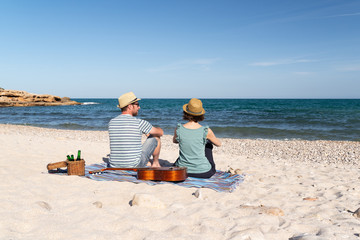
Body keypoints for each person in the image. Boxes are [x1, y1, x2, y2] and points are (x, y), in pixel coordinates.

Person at [108, 92, 163, 168]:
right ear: (130, 106)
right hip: (134, 165)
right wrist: (157, 130)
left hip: (114, 165)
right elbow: (160, 132)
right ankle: (156, 163)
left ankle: (147, 163)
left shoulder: (112, 122)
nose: (139, 107)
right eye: (137, 105)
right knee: (156, 137)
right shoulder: (139, 122)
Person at [173, 98, 221, 178]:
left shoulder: (179, 129)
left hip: (182, 172)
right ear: (201, 114)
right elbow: (218, 144)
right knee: (208, 144)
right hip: (203, 172)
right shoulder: (206, 131)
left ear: (186, 113)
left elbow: (174, 141)